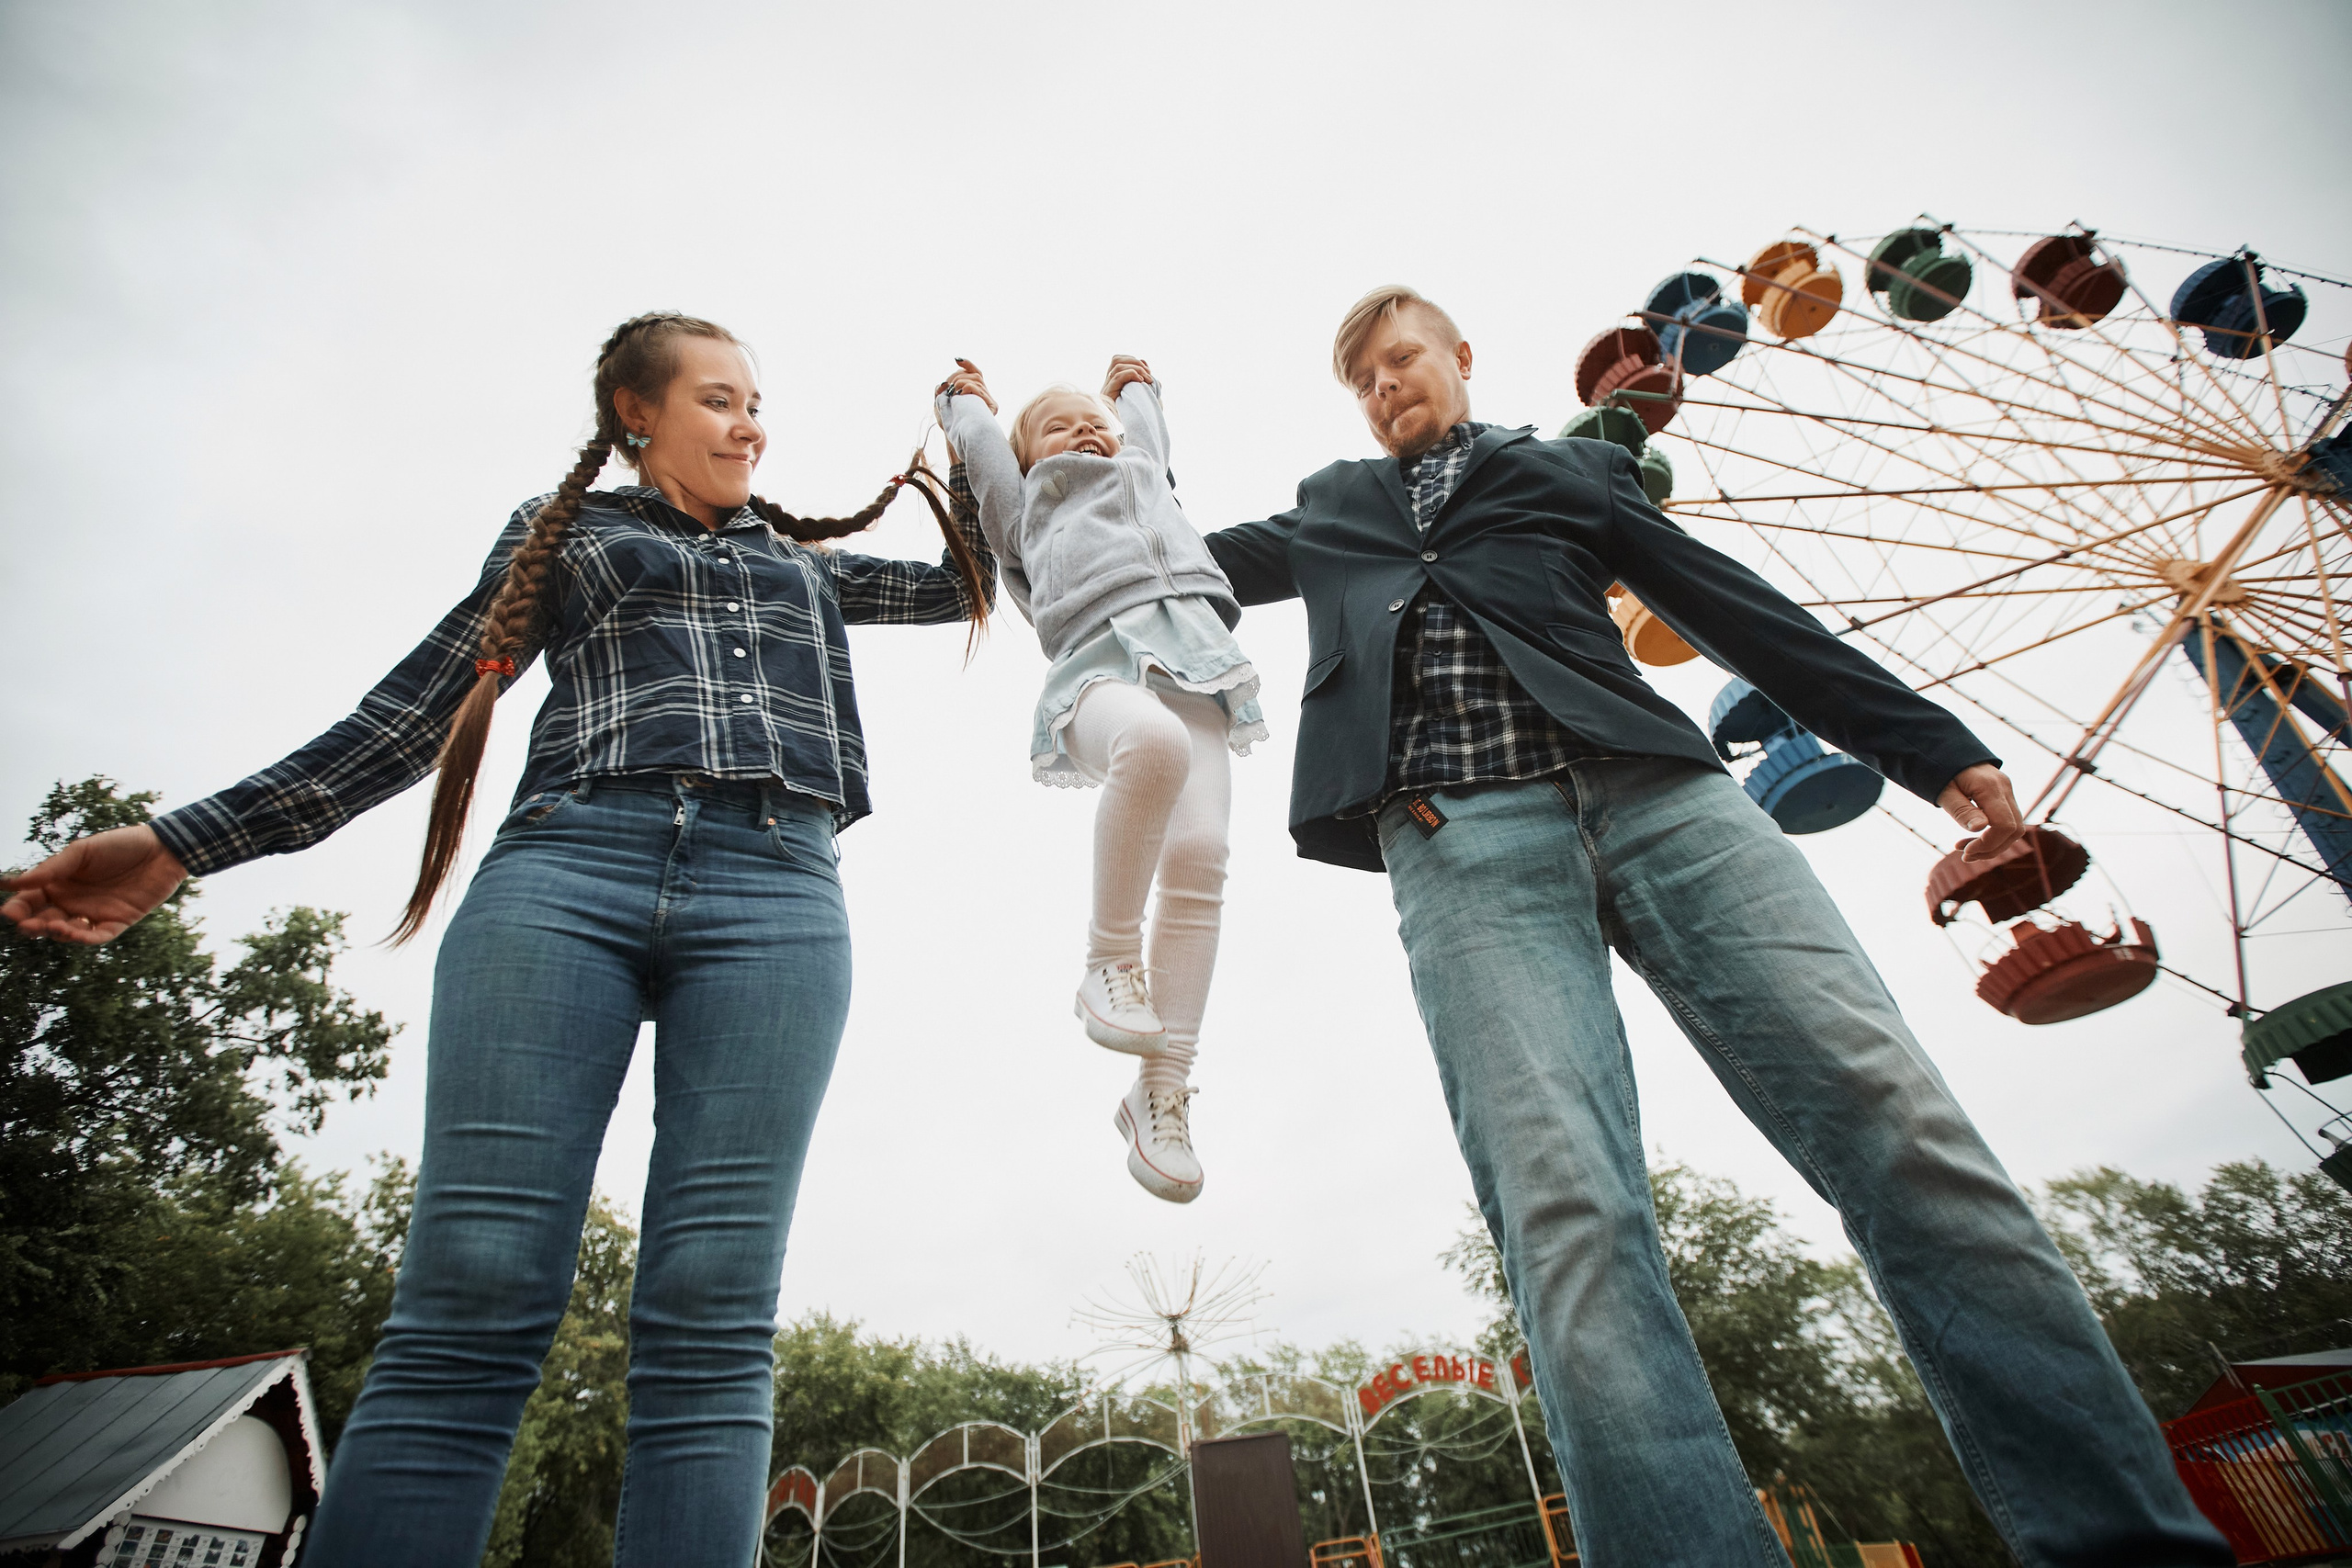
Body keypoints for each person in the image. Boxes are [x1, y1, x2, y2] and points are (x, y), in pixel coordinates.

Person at [1200, 287, 2232, 1567]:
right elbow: (1163, 568)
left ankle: (2125, 1542)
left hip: (1662, 800)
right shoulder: (1333, 505)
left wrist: (1921, 745)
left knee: (1896, 1118)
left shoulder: (1568, 469)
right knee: (1564, 1207)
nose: (1382, 385)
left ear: (1462, 357)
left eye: (1400, 358)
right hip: (1461, 840)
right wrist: (1059, 468)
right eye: (1360, 377)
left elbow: (1732, 603)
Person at [1, 312, 994, 1566]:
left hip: (778, 893)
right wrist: (181, 840)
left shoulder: (798, 561)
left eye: (758, 401)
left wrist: (976, 438)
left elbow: (976, 578)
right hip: (567, 874)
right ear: (638, 414)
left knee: (712, 1316)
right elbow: (409, 715)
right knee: (471, 1293)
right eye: (720, 398)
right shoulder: (571, 531)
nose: (753, 422)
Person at [936, 355, 1263, 1204]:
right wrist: (963, 402)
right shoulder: (1023, 503)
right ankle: (1108, 960)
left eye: (1095, 421)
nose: (1085, 430)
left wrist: (1135, 387)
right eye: (1058, 424)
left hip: (1194, 659)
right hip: (1095, 668)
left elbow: (1144, 427)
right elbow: (979, 446)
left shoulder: (1145, 470)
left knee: (1201, 857)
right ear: (1029, 454)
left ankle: (1161, 1090)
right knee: (1150, 746)